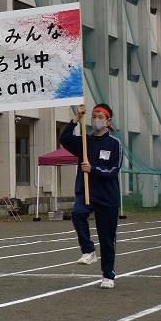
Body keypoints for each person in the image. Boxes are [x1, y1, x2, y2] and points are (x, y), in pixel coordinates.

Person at [60, 103, 122, 288]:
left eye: (100, 116)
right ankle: (88, 250)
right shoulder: (84, 142)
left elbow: (113, 169)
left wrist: (93, 169)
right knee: (78, 213)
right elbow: (64, 139)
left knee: (107, 237)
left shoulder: (114, 144)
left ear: (108, 121)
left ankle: (108, 275)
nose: (96, 119)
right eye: (94, 116)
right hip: (86, 193)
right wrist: (76, 118)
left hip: (107, 197)